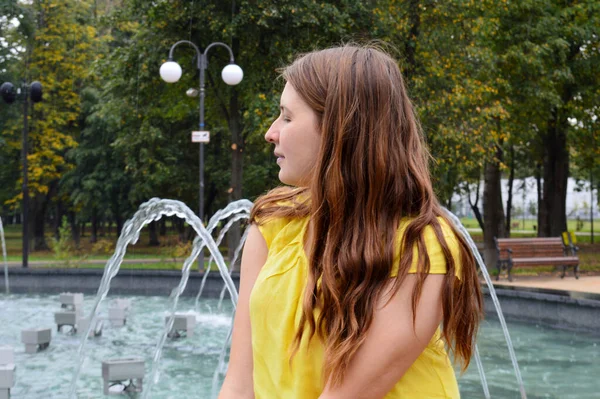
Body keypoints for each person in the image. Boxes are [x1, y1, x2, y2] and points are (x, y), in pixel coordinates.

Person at [218, 45, 483, 399]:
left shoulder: (421, 246)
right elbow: (239, 383)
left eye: (286, 117)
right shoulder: (272, 225)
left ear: (339, 128)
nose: (271, 132)